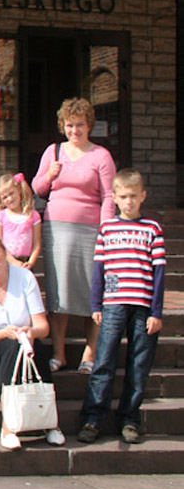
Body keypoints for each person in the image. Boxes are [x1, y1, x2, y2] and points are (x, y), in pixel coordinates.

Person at [78, 169, 165, 445]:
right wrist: (96, 304)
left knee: (139, 364)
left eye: (134, 197)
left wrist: (156, 312)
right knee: (103, 361)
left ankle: (130, 419)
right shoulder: (108, 229)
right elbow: (99, 269)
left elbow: (160, 274)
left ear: (143, 197)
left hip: (142, 305)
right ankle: (93, 418)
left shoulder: (153, 229)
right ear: (114, 198)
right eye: (123, 197)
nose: (129, 202)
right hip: (113, 304)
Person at [31, 97, 115, 374]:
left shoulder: (100, 155)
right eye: (70, 125)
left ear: (88, 125)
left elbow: (109, 196)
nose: (75, 131)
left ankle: (90, 354)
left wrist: (105, 231)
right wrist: (50, 176)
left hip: (91, 231)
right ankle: (59, 353)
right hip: (57, 229)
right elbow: (38, 188)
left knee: (93, 292)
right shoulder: (53, 151)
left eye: (79, 125)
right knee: (59, 293)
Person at [0, 230, 64, 450]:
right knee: (11, 346)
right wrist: (5, 333)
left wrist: (29, 333)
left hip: (24, 344)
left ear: (4, 252)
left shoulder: (25, 277)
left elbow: (43, 327)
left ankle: (51, 423)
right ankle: (8, 425)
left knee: (37, 348)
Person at [0, 172, 41, 269]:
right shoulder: (0, 216)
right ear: (0, 200)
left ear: (18, 190)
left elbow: (37, 243)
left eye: (11, 193)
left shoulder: (33, 215)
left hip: (26, 262)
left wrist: (30, 263)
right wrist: (13, 261)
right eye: (5, 197)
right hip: (6, 262)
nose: (9, 198)